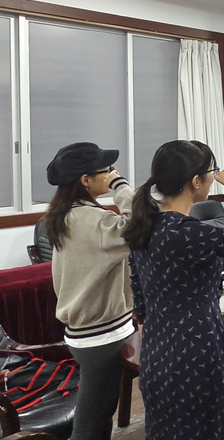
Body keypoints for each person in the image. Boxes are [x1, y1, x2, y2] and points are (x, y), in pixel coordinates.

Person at [124, 140, 224, 440]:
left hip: (157, 353)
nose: (215, 176)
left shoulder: (146, 226)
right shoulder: (189, 233)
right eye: (213, 171)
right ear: (196, 181)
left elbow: (141, 305)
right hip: (196, 354)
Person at [45, 142, 134, 440]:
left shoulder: (66, 214)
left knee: (98, 413)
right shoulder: (94, 221)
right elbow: (142, 224)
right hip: (101, 334)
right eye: (107, 170)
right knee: (92, 420)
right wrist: (121, 186)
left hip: (85, 330)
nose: (111, 173)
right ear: (85, 179)